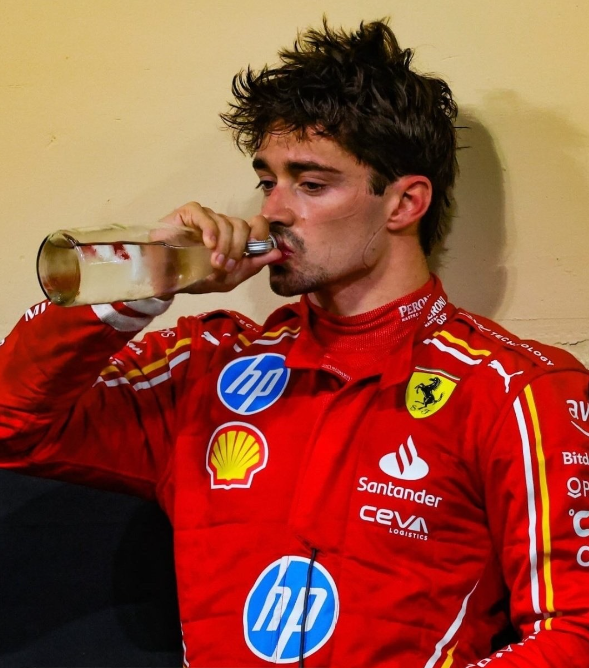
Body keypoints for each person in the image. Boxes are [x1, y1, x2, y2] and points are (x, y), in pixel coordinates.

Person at [1, 18, 588, 668]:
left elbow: (575, 634)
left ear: (404, 204)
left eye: (310, 184)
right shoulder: (207, 365)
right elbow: (12, 427)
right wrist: (143, 276)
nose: (273, 211)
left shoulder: (515, 389)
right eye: (267, 181)